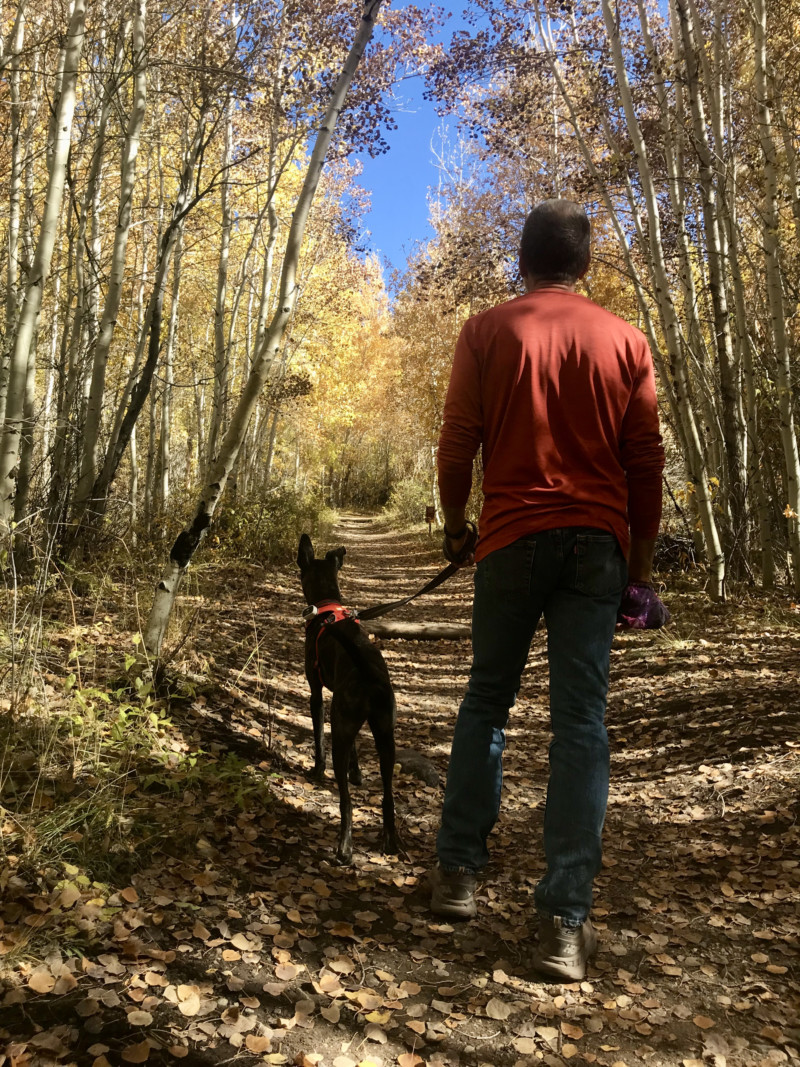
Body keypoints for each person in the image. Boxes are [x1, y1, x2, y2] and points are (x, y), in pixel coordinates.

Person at [429, 200, 666, 982]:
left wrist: (457, 523)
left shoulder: (487, 330)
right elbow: (645, 465)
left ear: (520, 260)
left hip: (508, 541)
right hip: (596, 547)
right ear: (584, 266)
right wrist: (639, 569)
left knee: (487, 699)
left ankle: (458, 874)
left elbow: (458, 434)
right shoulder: (626, 340)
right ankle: (563, 923)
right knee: (581, 725)